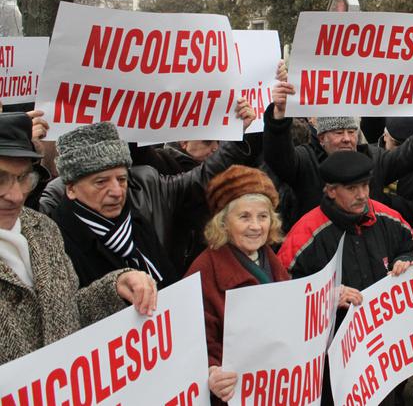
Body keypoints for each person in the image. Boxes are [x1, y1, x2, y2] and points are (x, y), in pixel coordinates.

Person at [40, 98, 258, 287]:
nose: (116, 192)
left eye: (121, 179)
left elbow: (198, 180)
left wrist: (235, 138)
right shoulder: (56, 233)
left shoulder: (144, 197)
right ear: (71, 188)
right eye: (101, 182)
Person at [0, 112, 157, 364]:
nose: (16, 196)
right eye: (0, 179)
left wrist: (114, 286)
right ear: (70, 188)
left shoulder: (43, 229)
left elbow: (67, 316)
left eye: (22, 179)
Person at [277, 150, 413, 406]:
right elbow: (283, 297)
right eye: (352, 188)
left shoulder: (386, 217)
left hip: (384, 352)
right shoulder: (304, 236)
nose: (362, 194)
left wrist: (406, 261)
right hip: (331, 362)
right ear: (330, 191)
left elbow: (410, 245)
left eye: (365, 185)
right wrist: (327, 297)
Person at [263, 63, 413, 228]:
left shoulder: (373, 158)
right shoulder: (304, 160)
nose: (347, 139)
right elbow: (278, 157)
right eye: (338, 133)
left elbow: (411, 154)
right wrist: (279, 115)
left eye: (351, 132)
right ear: (321, 138)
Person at [184, 165, 290, 405]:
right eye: (244, 217)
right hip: (235, 394)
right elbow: (194, 342)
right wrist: (211, 371)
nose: (256, 226)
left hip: (274, 387)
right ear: (223, 223)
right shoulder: (203, 271)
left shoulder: (268, 257)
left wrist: (325, 298)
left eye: (263, 216)